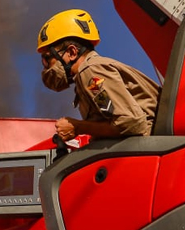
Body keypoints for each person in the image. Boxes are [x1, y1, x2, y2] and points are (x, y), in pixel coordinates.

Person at [37, 9, 161, 141]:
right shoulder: (89, 75)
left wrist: (78, 127)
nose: (46, 68)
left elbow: (131, 124)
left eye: (47, 59)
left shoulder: (91, 72)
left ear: (72, 52)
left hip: (147, 147)